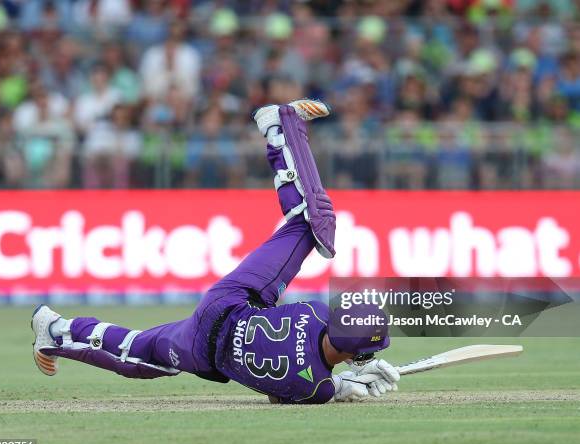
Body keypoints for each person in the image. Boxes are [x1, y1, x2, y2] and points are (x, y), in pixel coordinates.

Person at [31, 100, 400, 404]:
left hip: (230, 301)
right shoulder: (315, 389)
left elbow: (310, 352)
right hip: (207, 351)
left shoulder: (316, 313)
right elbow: (287, 390)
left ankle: (278, 129)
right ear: (355, 355)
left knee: (308, 223)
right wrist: (344, 385)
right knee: (140, 355)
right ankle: (59, 331)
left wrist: (345, 372)